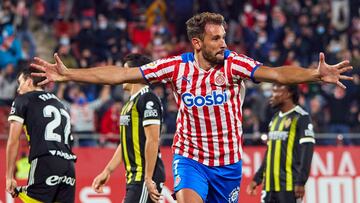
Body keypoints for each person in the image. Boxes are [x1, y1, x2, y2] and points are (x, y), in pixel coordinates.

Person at [30, 12, 352, 203]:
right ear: (197, 43)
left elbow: (277, 72)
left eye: (224, 37)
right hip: (191, 158)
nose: (223, 44)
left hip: (228, 165)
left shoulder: (234, 63)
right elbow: (121, 75)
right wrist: (69, 73)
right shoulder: (176, 67)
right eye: (215, 39)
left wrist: (314, 74)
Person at [91, 54, 165, 203]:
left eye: (125, 70)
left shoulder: (148, 98)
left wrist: (148, 178)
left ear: (136, 72)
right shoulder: (128, 104)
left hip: (144, 177)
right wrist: (107, 171)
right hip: (134, 177)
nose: (121, 75)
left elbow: (153, 139)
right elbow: (126, 142)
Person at [6, 67, 76, 202]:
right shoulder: (60, 103)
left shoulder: (23, 100)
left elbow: (13, 140)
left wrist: (9, 177)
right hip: (69, 165)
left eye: (20, 83)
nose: (18, 89)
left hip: (45, 160)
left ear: (28, 81)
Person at [246, 84, 315, 202]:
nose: (271, 97)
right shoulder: (274, 119)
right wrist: (257, 178)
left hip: (289, 186)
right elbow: (270, 151)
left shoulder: (301, 117)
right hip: (269, 185)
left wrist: (300, 181)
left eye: (275, 92)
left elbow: (307, 150)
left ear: (288, 94)